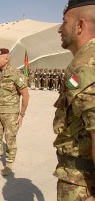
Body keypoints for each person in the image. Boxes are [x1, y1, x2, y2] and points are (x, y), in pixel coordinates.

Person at [53, 1, 95, 200]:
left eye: (64, 22)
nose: (60, 29)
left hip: (83, 184)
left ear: (80, 26)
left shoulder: (85, 66)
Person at [0, 48, 29, 176]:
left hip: (11, 113)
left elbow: (25, 95)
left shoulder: (16, 74)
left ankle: (9, 164)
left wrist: (22, 114)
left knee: (10, 139)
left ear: (6, 59)